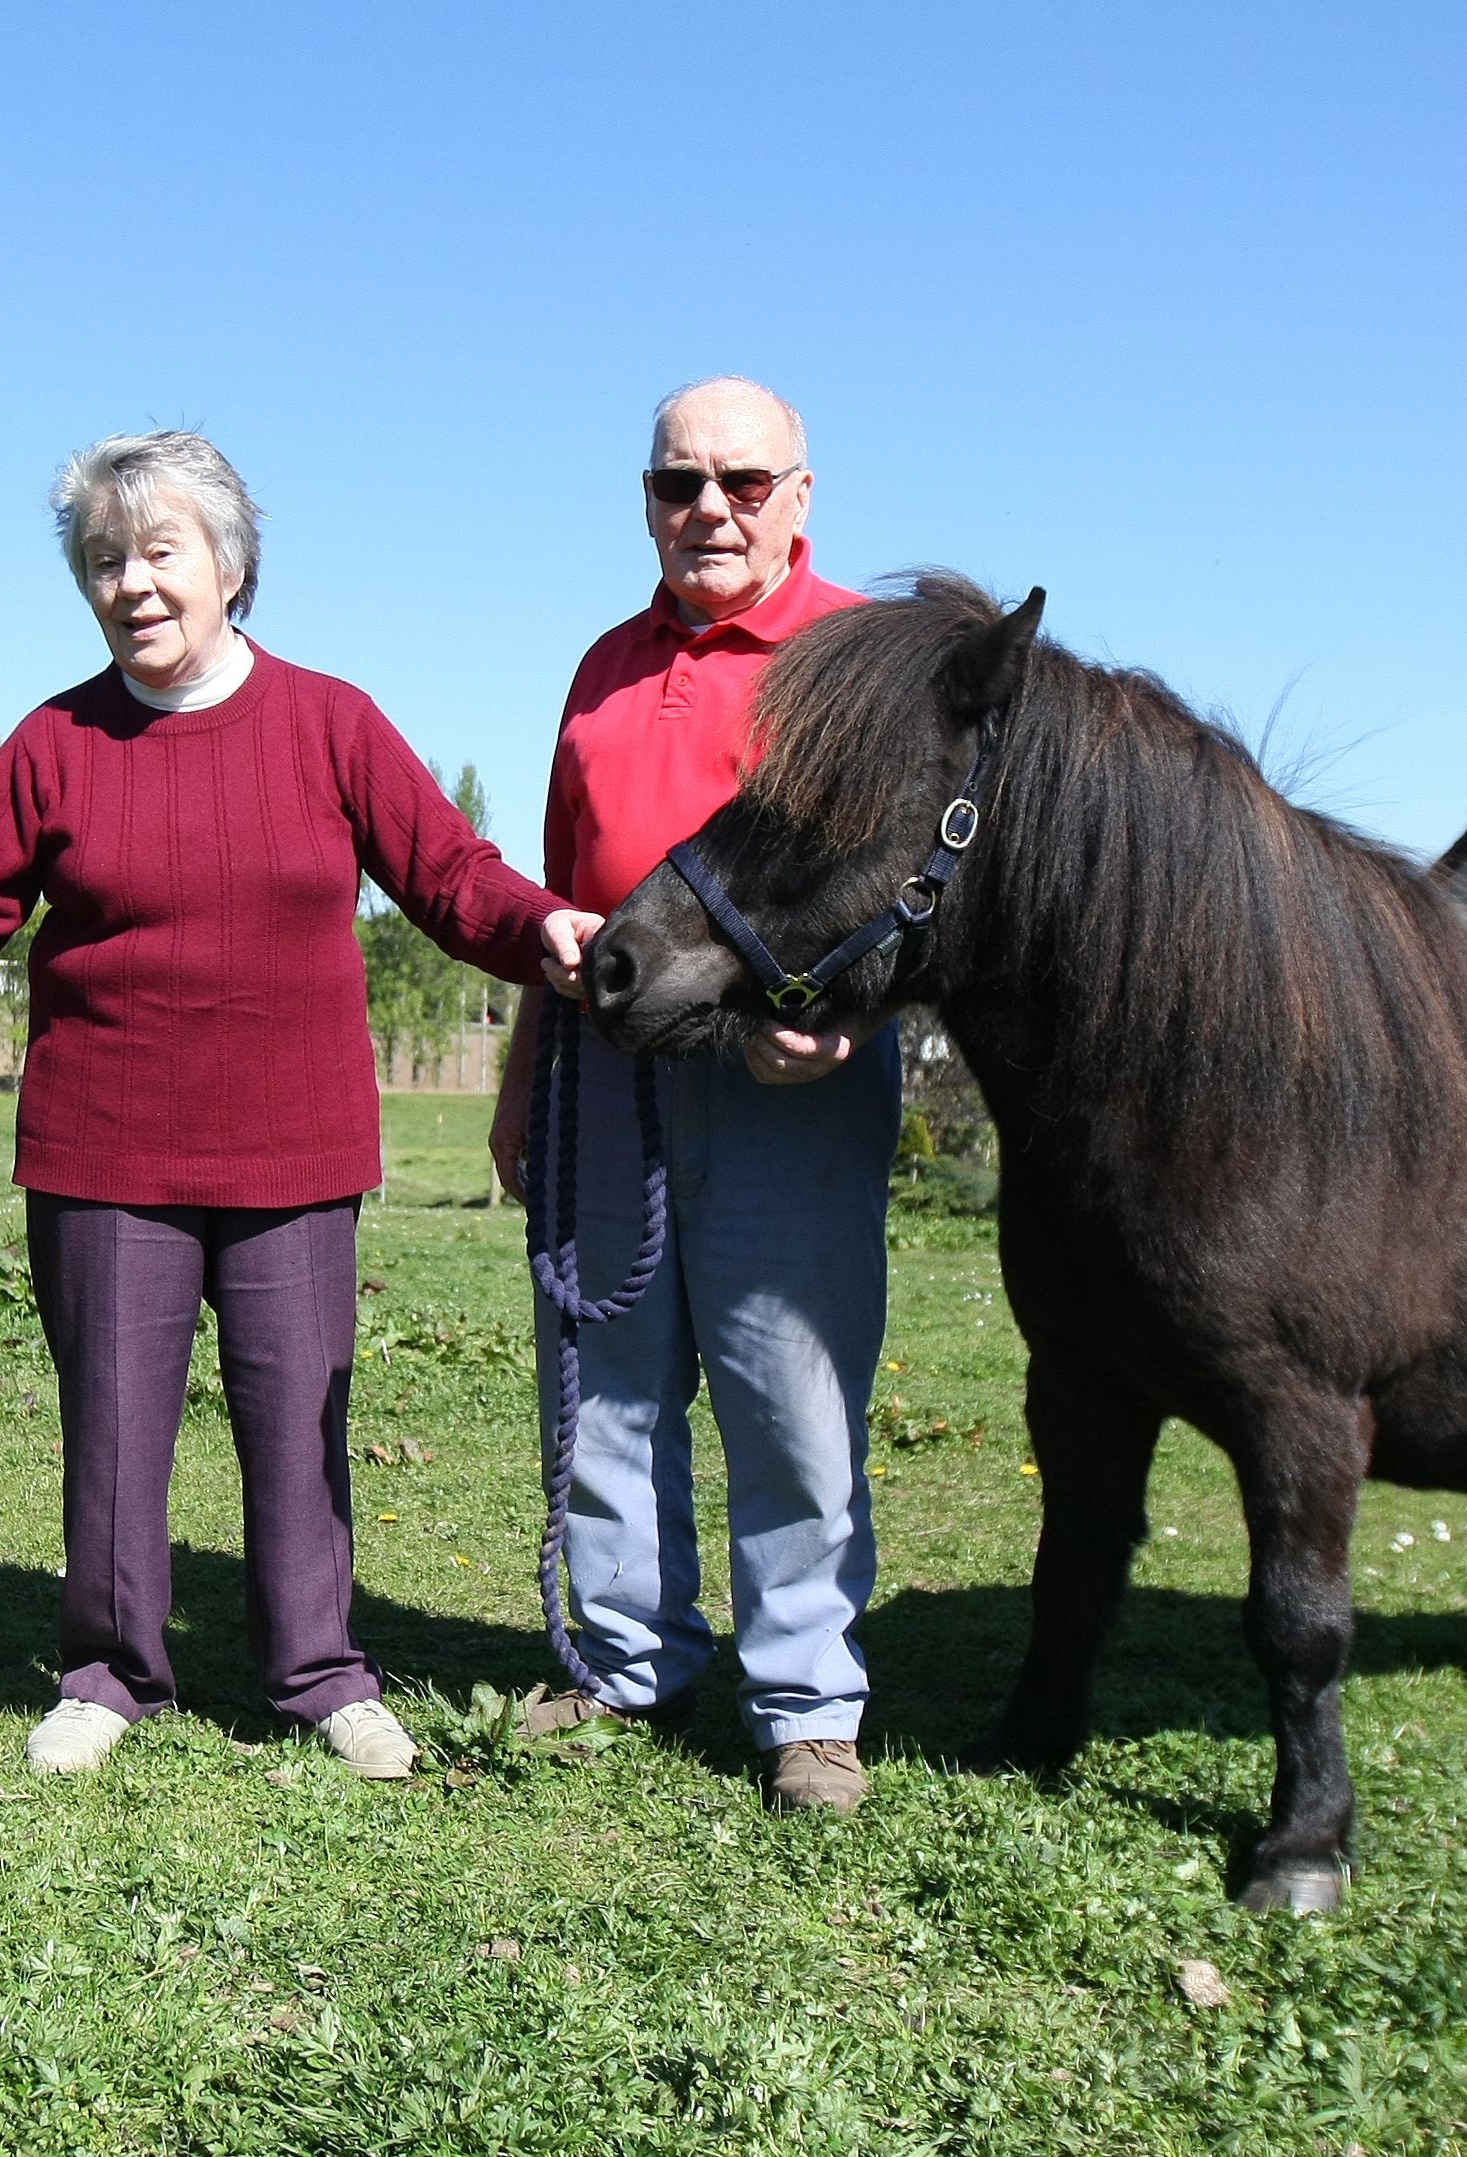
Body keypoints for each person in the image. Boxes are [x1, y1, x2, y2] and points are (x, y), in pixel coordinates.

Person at [0, 432, 592, 1781]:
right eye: (104, 561)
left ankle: (318, 1672)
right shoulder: (55, 744)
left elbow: (452, 877)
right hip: (104, 1147)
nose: (132, 583)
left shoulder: (330, 723)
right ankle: (111, 1671)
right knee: (112, 1427)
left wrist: (552, 934)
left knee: (298, 1421)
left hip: (294, 1151)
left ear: (231, 567)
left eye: (159, 550)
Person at [491, 376, 893, 1814]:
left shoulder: (858, 656)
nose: (707, 508)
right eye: (677, 483)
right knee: (607, 1380)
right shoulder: (603, 664)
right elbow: (556, 888)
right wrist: (523, 1079)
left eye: (740, 480)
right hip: (603, 1070)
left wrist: (841, 1013)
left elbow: (907, 880)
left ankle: (807, 1703)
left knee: (791, 1394)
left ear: (800, 493)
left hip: (785, 1075)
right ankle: (622, 1662)